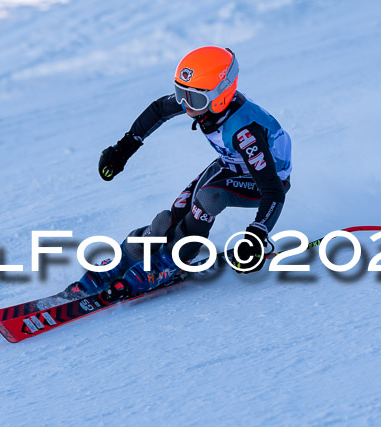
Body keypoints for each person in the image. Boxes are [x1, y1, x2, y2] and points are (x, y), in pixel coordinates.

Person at [78, 46, 292, 295]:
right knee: (164, 223)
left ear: (221, 94)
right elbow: (159, 109)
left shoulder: (245, 133)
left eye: (193, 98)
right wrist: (124, 148)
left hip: (267, 179)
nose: (184, 104)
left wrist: (257, 236)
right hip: (230, 164)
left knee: (209, 199)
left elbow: (273, 191)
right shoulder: (204, 100)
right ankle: (125, 259)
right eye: (181, 92)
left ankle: (168, 264)